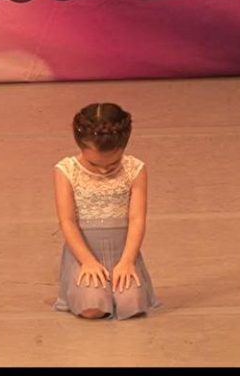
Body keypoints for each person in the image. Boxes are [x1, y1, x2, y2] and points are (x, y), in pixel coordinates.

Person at [52, 102, 160, 320]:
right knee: (94, 308)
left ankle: (119, 285)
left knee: (132, 305)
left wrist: (128, 260)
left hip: (122, 251)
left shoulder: (135, 169)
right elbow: (67, 221)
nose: (103, 170)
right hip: (86, 252)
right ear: (80, 145)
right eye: (94, 164)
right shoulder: (66, 171)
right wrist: (87, 261)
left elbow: (137, 218)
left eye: (112, 165)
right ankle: (86, 290)